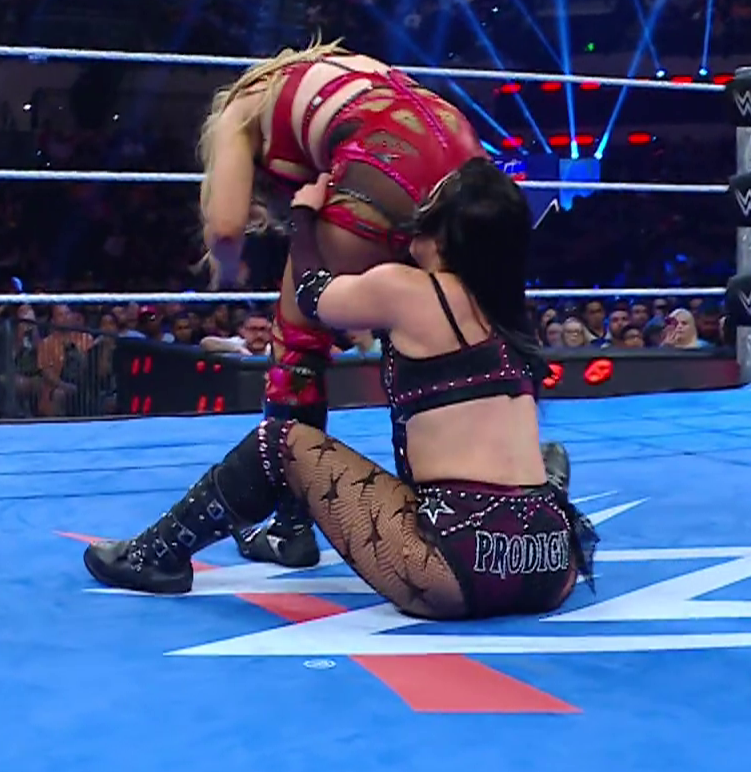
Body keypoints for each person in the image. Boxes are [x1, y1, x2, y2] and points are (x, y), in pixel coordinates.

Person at [85, 160, 595, 619]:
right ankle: (277, 533)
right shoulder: (509, 317)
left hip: (459, 566)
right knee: (545, 455)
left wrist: (304, 217)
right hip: (550, 566)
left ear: (444, 231)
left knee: (279, 442)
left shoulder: (408, 290)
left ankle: (157, 555)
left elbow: (312, 295)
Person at [196, 38, 486, 568]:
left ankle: (290, 526)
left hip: (385, 159)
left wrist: (228, 266)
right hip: (466, 153)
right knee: (430, 322)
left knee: (297, 341)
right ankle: (458, 500)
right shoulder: (345, 70)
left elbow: (226, 227)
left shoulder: (242, 105)